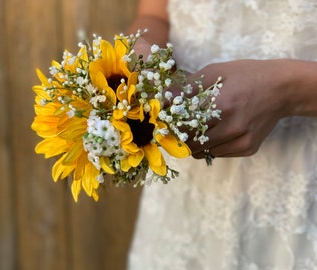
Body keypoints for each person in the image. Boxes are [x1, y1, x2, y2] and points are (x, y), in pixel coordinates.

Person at [127, 0, 317, 269]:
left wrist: (289, 91)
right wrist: (141, 53)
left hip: (300, 195)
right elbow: (155, 14)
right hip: (185, 197)